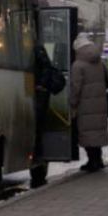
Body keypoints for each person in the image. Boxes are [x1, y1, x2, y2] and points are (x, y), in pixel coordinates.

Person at [70, 33, 108, 172]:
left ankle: (92, 161)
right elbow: (107, 79)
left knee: (87, 133)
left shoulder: (78, 65)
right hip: (99, 102)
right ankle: (98, 160)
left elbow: (76, 87)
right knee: (96, 132)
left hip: (85, 105)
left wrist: (72, 103)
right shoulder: (99, 61)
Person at [31, 44, 65, 188]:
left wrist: (41, 86)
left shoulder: (36, 48)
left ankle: (38, 173)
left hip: (39, 97)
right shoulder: (35, 46)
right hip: (38, 96)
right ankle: (38, 171)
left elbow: (46, 67)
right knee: (37, 134)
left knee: (38, 135)